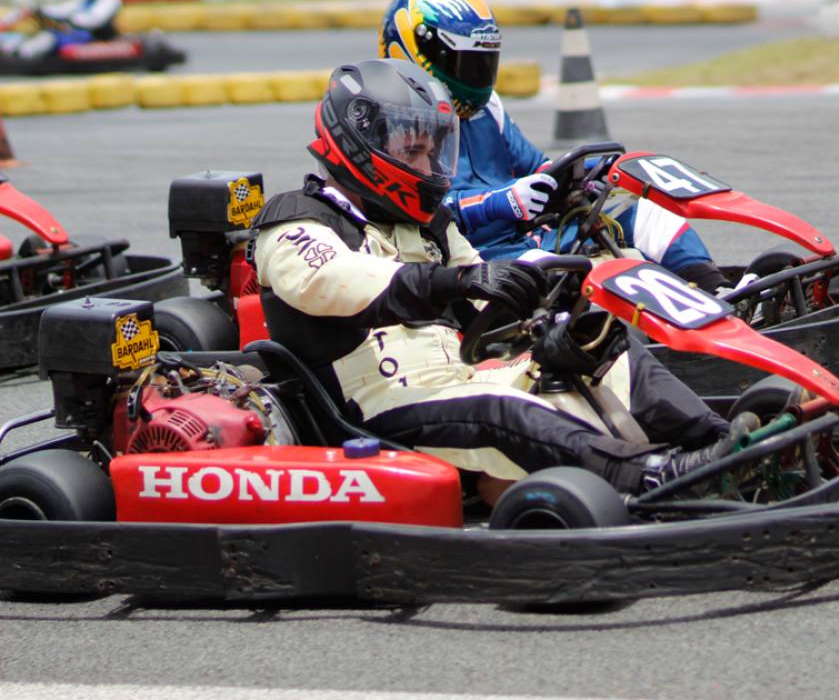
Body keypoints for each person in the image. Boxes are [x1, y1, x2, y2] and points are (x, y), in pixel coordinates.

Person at [251, 58, 742, 499]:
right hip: (377, 416)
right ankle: (656, 476)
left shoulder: (429, 227)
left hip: (457, 383)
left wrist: (543, 320)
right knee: (497, 405)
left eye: (432, 152)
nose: (427, 167)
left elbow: (484, 312)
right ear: (360, 143)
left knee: (605, 349)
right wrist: (457, 282)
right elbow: (338, 281)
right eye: (412, 152)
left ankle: (726, 448)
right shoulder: (295, 221)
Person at [377, 0, 733, 294]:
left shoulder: (488, 109)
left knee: (649, 217)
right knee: (575, 271)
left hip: (524, 238)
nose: (476, 75)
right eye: (465, 63)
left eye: (483, 62)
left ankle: (718, 293)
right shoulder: (393, 122)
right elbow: (412, 208)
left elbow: (538, 166)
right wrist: (499, 201)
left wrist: (590, 174)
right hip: (466, 258)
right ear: (415, 51)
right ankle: (623, 342)